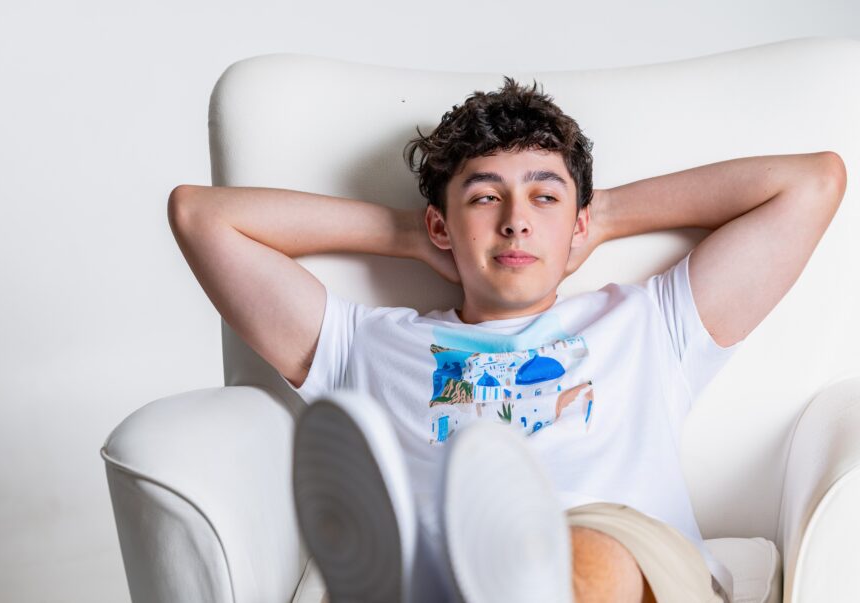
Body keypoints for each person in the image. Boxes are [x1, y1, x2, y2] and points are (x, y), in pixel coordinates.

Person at [168, 78, 846, 603]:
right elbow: (200, 216)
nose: (517, 221)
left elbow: (812, 182)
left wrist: (602, 214)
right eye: (485, 199)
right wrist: (406, 234)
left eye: (544, 198)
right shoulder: (366, 343)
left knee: (583, 554)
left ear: (577, 224)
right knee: (453, 557)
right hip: (454, 551)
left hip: (610, 544)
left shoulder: (648, 323)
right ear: (441, 227)